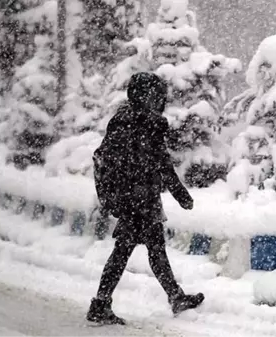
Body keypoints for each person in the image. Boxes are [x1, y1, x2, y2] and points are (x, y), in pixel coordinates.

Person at [87, 72, 204, 325]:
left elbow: (110, 158)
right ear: (144, 95)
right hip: (139, 199)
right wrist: (181, 194)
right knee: (129, 251)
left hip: (132, 198)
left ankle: (173, 296)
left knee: (149, 248)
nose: (159, 99)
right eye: (155, 95)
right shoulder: (145, 123)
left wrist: (115, 195)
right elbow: (162, 163)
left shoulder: (122, 120)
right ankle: (101, 303)